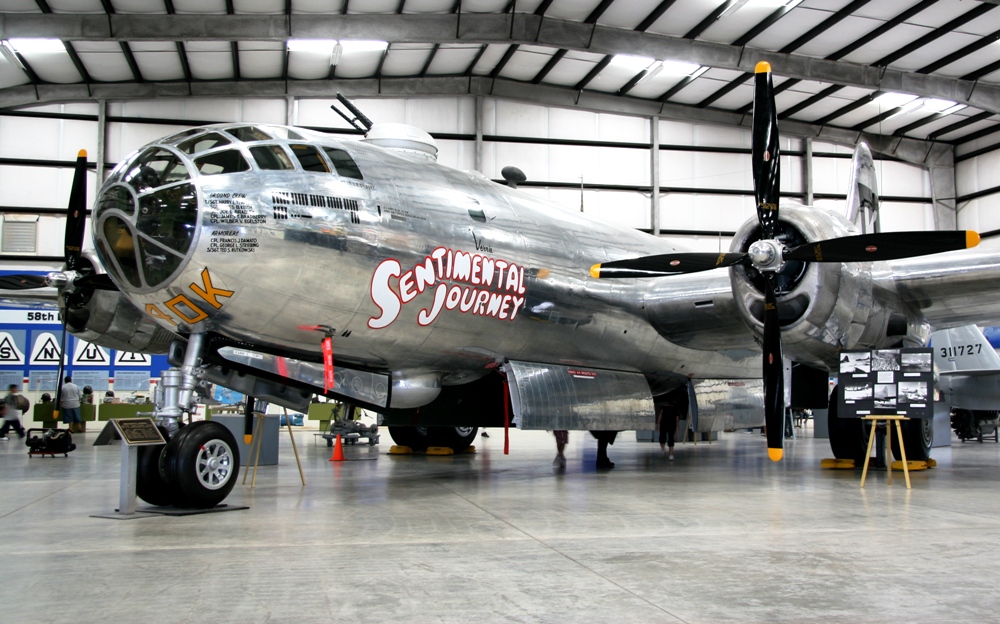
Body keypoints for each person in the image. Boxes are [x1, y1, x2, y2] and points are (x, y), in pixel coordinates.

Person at [658, 385, 689, 461]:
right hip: (671, 425)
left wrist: (658, 424)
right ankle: (671, 455)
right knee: (670, 439)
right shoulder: (675, 410)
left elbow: (660, 416)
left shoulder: (663, 408)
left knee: (662, 438)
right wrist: (677, 435)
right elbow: (677, 423)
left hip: (664, 424)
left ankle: (663, 450)